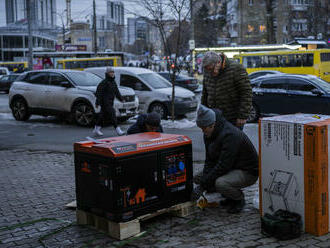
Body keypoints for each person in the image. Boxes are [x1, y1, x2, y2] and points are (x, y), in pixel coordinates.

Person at [194, 105, 258, 214]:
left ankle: (238, 199)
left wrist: (203, 186)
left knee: (221, 183)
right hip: (231, 167)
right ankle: (226, 195)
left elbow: (223, 165)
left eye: (204, 129)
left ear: (212, 124)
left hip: (247, 171)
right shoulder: (209, 133)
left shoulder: (230, 135)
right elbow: (209, 160)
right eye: (201, 129)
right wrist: (203, 182)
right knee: (198, 178)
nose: (203, 132)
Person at [201, 51, 252, 130]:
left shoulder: (236, 68)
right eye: (207, 70)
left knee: (232, 141)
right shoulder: (207, 70)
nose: (209, 73)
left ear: (218, 63)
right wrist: (203, 111)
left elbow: (246, 92)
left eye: (211, 69)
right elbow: (205, 93)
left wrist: (242, 115)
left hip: (232, 117)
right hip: (214, 116)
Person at [93, 67, 125, 136]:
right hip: (104, 102)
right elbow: (99, 93)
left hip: (110, 102)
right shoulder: (104, 82)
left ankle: (96, 128)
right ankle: (118, 129)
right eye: (110, 72)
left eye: (113, 72)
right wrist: (97, 102)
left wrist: (121, 99)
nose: (112, 73)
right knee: (112, 113)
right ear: (107, 73)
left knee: (103, 115)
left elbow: (117, 92)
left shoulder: (113, 82)